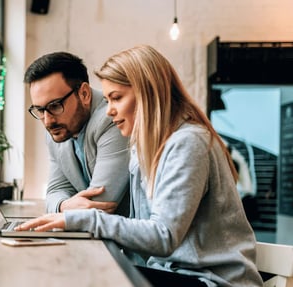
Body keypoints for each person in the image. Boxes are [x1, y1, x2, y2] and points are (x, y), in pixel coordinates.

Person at [17, 45, 263, 287]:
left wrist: (77, 219)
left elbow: (163, 236)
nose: (109, 111)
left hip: (211, 280)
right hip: (174, 272)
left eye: (116, 98)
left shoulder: (188, 142)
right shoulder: (145, 147)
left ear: (148, 93)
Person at [24, 52, 130, 215]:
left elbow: (100, 204)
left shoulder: (113, 119)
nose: (47, 121)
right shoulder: (59, 129)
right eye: (39, 110)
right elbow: (55, 191)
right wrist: (63, 205)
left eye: (55, 105)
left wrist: (63, 206)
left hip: (126, 236)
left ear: (84, 94)